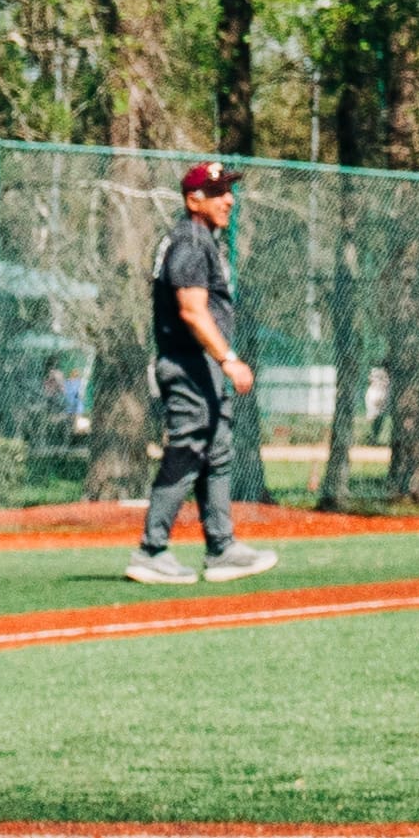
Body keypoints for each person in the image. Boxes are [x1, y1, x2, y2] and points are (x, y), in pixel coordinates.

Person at [129, 158, 277, 587]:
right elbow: (192, 311)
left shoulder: (200, 239)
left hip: (201, 367)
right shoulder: (191, 242)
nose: (228, 199)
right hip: (191, 366)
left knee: (217, 452)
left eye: (230, 190)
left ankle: (222, 547)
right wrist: (228, 358)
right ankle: (151, 550)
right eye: (217, 192)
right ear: (194, 200)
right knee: (189, 450)